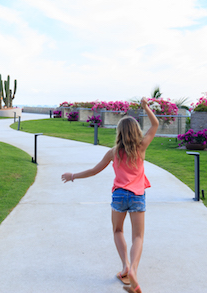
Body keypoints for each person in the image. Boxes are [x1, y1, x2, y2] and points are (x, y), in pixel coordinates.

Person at [61, 97, 159, 293]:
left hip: (119, 196)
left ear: (120, 133)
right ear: (136, 132)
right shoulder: (141, 148)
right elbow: (155, 124)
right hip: (138, 195)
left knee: (117, 231)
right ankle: (133, 270)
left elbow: (94, 171)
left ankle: (125, 267)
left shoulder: (113, 152)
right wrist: (146, 107)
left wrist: (73, 176)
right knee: (138, 236)